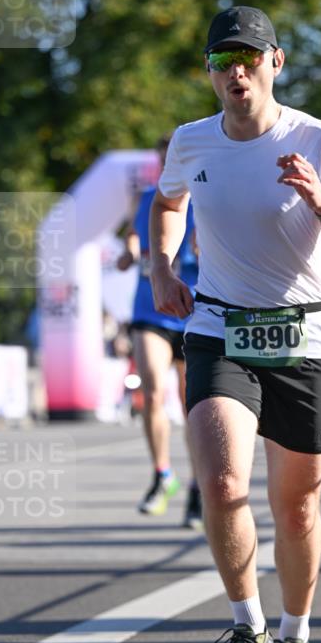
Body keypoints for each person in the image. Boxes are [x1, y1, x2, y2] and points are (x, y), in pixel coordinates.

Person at [148, 6, 321, 643]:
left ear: (275, 62)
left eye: (248, 57)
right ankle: (247, 627)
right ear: (209, 71)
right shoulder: (190, 142)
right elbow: (166, 202)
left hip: (301, 334)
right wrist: (162, 266)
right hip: (219, 328)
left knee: (297, 506)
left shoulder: (319, 140)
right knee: (220, 484)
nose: (234, 71)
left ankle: (295, 638)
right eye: (221, 60)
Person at [118, 136, 202, 528]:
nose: (170, 163)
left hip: (194, 310)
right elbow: (135, 234)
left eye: (175, 157)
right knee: (151, 390)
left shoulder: (206, 194)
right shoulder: (150, 196)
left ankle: (200, 486)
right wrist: (131, 251)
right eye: (164, 158)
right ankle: (162, 475)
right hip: (151, 307)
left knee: (193, 409)